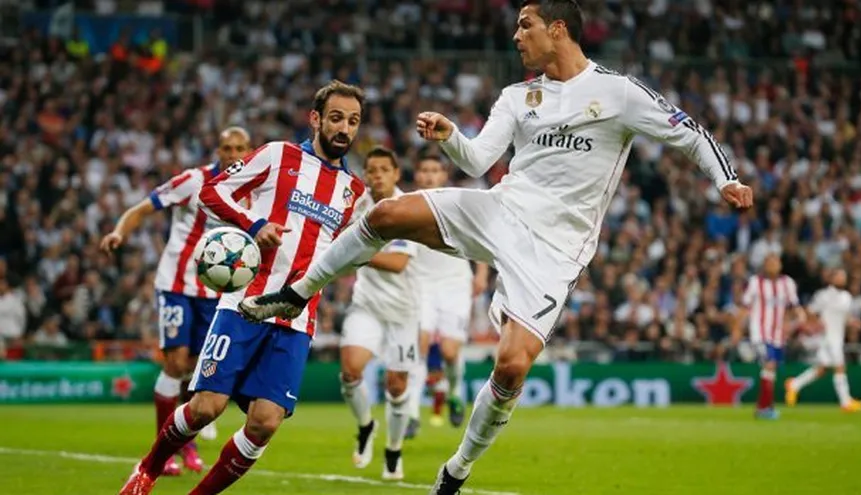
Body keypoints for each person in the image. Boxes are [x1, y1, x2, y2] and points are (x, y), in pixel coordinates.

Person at [238, 1, 753, 492]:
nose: (515, 35)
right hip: (502, 211)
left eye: (525, 24)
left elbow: (687, 132)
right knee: (387, 213)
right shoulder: (518, 96)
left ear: (557, 29)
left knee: (511, 366)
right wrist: (449, 136)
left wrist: (724, 179)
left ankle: (456, 469)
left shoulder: (616, 93)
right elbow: (479, 161)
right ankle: (298, 292)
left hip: (556, 250)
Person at [118, 80, 367, 495]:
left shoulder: (353, 191)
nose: (345, 128)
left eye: (354, 121)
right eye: (337, 118)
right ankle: (147, 469)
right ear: (316, 119)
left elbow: (339, 252)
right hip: (244, 304)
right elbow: (211, 192)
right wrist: (253, 225)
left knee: (265, 422)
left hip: (295, 317)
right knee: (205, 408)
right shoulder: (278, 155)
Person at [101, 126, 252, 475]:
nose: (233, 155)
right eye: (227, 148)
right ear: (218, 150)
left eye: (240, 148)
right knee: (176, 361)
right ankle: (166, 451)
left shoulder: (254, 191)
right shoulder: (192, 181)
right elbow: (142, 208)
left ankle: (185, 442)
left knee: (198, 370)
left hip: (216, 293)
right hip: (176, 285)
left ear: (249, 150)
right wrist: (118, 232)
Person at [337, 146, 421, 480]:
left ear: (396, 173)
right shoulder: (358, 206)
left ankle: (394, 448)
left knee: (397, 387)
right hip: (367, 305)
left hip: (403, 312)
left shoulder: (407, 208)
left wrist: (354, 253)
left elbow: (398, 263)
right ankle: (365, 426)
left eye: (384, 169)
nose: (377, 176)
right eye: (371, 170)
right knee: (350, 371)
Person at [406, 155, 489, 435]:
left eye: (435, 171)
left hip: (454, 283)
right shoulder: (406, 205)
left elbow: (481, 238)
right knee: (420, 344)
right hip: (421, 284)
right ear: (417, 175)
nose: (429, 176)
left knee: (451, 352)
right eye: (424, 170)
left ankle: (454, 392)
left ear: (444, 175)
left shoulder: (458, 202)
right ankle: (412, 413)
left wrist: (481, 274)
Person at [785, 269, 861, 412]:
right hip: (827, 338)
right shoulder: (823, 296)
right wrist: (815, 324)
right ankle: (845, 402)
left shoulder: (847, 297)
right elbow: (809, 311)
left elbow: (845, 317)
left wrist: (853, 322)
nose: (842, 279)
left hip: (838, 336)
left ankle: (794, 385)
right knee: (840, 367)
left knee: (822, 370)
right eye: (839, 276)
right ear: (832, 279)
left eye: (844, 276)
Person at [738, 253, 806, 419]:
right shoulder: (755, 282)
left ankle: (764, 406)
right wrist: (737, 328)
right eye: (769, 262)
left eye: (775, 262)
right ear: (764, 265)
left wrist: (797, 321)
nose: (772, 265)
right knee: (769, 364)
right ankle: (764, 408)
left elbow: (795, 306)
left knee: (771, 370)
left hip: (778, 335)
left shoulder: (787, 283)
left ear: (780, 265)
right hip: (759, 333)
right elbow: (745, 306)